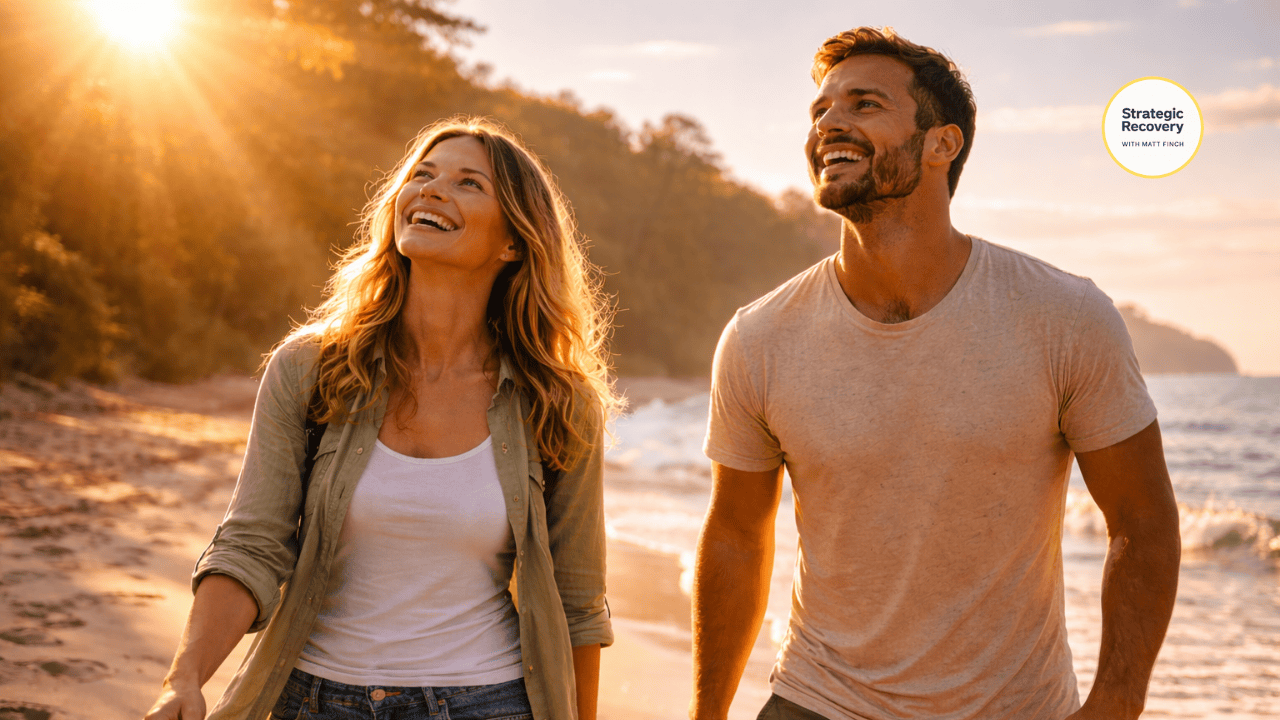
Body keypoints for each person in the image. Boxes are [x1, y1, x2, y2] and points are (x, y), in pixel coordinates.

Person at [691, 27, 1180, 720]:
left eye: (864, 105)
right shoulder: (759, 336)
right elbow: (737, 535)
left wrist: (1118, 701)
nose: (830, 122)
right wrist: (706, 715)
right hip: (817, 699)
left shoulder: (1063, 316)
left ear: (940, 144)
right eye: (821, 110)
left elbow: (1142, 522)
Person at [144, 117, 617, 720]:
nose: (432, 189)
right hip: (311, 700)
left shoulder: (556, 399)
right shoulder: (312, 369)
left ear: (514, 242)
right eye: (421, 174)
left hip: (489, 703)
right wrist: (184, 678)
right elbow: (252, 546)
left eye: (469, 183)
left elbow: (578, 601)